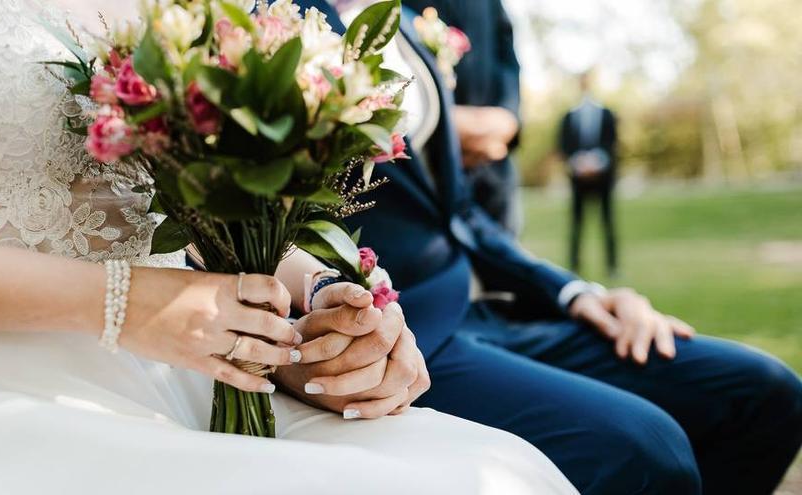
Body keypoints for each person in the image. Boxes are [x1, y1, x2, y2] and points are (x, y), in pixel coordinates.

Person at [0, 1, 580, 493]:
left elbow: (161, 208)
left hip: (186, 379)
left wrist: (320, 304)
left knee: (500, 476)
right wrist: (125, 304)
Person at [301, 0, 802, 493]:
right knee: (649, 452)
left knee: (763, 393)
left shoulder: (408, 22)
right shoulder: (277, 23)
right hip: (408, 336)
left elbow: (460, 215)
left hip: (495, 312)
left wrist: (575, 293)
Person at [404, 0, 524, 234]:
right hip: (426, 173)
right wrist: (443, 123)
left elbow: (506, 52)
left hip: (494, 168)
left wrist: (508, 119)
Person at [559, 71, 619, 276]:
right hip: (578, 179)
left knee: (608, 222)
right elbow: (563, 145)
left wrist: (597, 162)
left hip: (603, 178)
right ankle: (574, 266)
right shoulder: (569, 116)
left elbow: (612, 143)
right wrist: (579, 163)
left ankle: (612, 266)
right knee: (577, 224)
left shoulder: (606, 113)